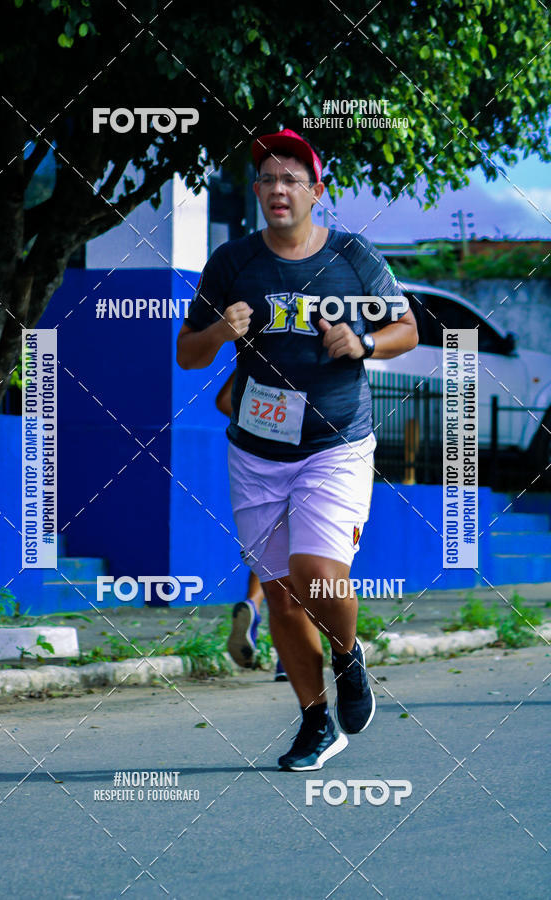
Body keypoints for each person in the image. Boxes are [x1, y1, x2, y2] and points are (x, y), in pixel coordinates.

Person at [177, 128, 418, 771]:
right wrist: (220, 331)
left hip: (336, 442)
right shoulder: (232, 263)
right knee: (281, 594)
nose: (278, 189)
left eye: (292, 179)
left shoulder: (351, 255)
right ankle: (316, 722)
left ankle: (347, 655)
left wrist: (364, 345)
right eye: (267, 179)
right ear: (256, 192)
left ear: (316, 190)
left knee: (316, 574)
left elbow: (407, 328)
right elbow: (187, 351)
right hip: (257, 451)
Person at [216, 371, 288, 682]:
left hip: (259, 464)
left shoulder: (259, 357)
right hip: (308, 466)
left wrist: (264, 429)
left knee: (269, 553)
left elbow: (222, 401)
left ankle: (253, 605)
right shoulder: (316, 362)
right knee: (311, 559)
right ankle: (289, 657)